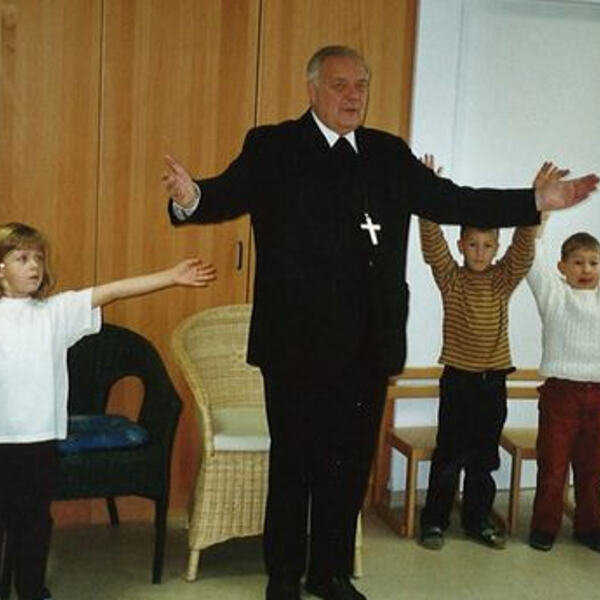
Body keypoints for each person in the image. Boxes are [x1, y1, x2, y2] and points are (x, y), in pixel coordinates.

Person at [162, 45, 598, 600]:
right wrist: (190, 197)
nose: (354, 96)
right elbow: (220, 195)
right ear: (312, 89)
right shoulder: (274, 146)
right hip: (294, 347)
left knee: (347, 471)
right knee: (295, 468)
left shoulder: (388, 154)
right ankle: (283, 578)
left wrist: (534, 200)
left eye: (362, 85)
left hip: (368, 346)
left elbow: (453, 199)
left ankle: (330, 574)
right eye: (341, 85)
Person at [0, 222, 215, 600]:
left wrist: (171, 276)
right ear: (1, 268)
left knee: (33, 522)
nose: (34, 265)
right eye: (21, 258)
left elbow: (112, 290)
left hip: (38, 440)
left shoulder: (56, 312)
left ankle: (31, 591)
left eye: (38, 257)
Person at [416, 157, 560, 551]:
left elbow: (523, 246)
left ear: (495, 249)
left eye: (487, 246)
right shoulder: (450, 278)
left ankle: (477, 519)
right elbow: (432, 245)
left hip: (493, 381)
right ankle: (434, 521)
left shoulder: (503, 278)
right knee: (448, 456)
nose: (480, 252)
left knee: (484, 459)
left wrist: (535, 200)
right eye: (473, 245)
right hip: (458, 380)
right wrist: (429, 191)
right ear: (461, 246)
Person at [525, 176, 600, 553]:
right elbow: (531, 255)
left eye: (593, 262)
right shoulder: (553, 295)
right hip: (561, 395)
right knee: (553, 469)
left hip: (599, 396)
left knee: (593, 471)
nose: (586, 269)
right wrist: (543, 207)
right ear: (563, 266)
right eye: (578, 262)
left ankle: (589, 528)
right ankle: (544, 528)